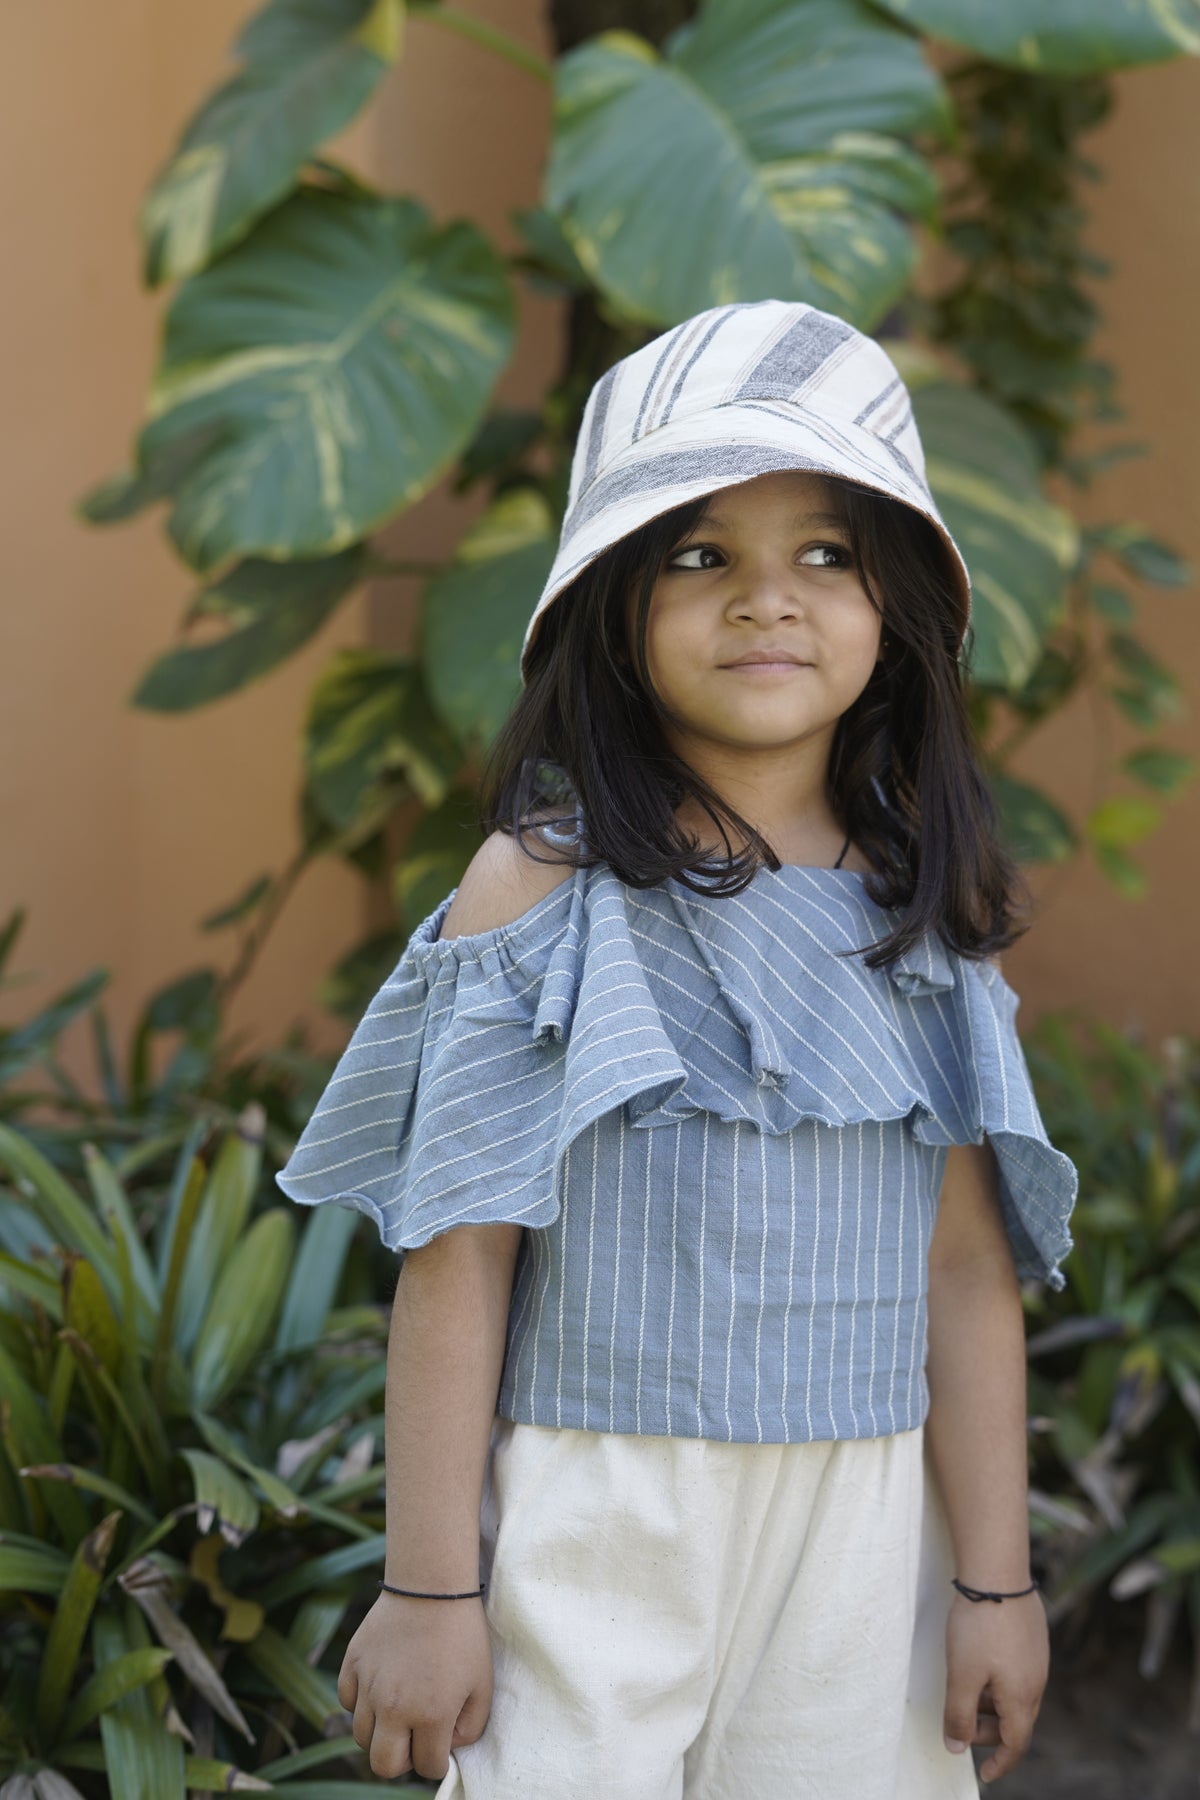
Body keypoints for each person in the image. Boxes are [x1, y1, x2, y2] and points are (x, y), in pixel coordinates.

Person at [275, 299, 1079, 1799]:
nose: (766, 600)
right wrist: (431, 1588)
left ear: (893, 605)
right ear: (614, 602)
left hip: (858, 1526)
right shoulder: (545, 886)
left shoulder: (918, 913)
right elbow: (461, 1250)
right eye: (699, 554)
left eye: (824, 555)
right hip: (601, 1511)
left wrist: (994, 1581)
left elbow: (964, 1274)